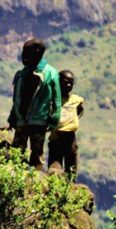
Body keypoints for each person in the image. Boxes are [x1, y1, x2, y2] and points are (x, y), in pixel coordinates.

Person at [6, 38, 61, 171]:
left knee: (37, 152)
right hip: (21, 120)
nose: (23, 56)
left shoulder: (50, 73)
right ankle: (16, 179)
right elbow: (17, 99)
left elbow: (56, 99)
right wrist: (13, 117)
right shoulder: (21, 75)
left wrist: (54, 118)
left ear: (37, 52)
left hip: (39, 120)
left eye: (26, 52)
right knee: (17, 152)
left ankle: (35, 179)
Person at [48, 70, 84, 177]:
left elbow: (80, 111)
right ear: (58, 82)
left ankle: (69, 189)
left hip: (70, 139)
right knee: (54, 168)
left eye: (71, 83)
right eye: (65, 82)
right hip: (56, 137)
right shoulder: (52, 100)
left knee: (71, 170)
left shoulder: (76, 100)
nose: (68, 85)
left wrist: (72, 122)